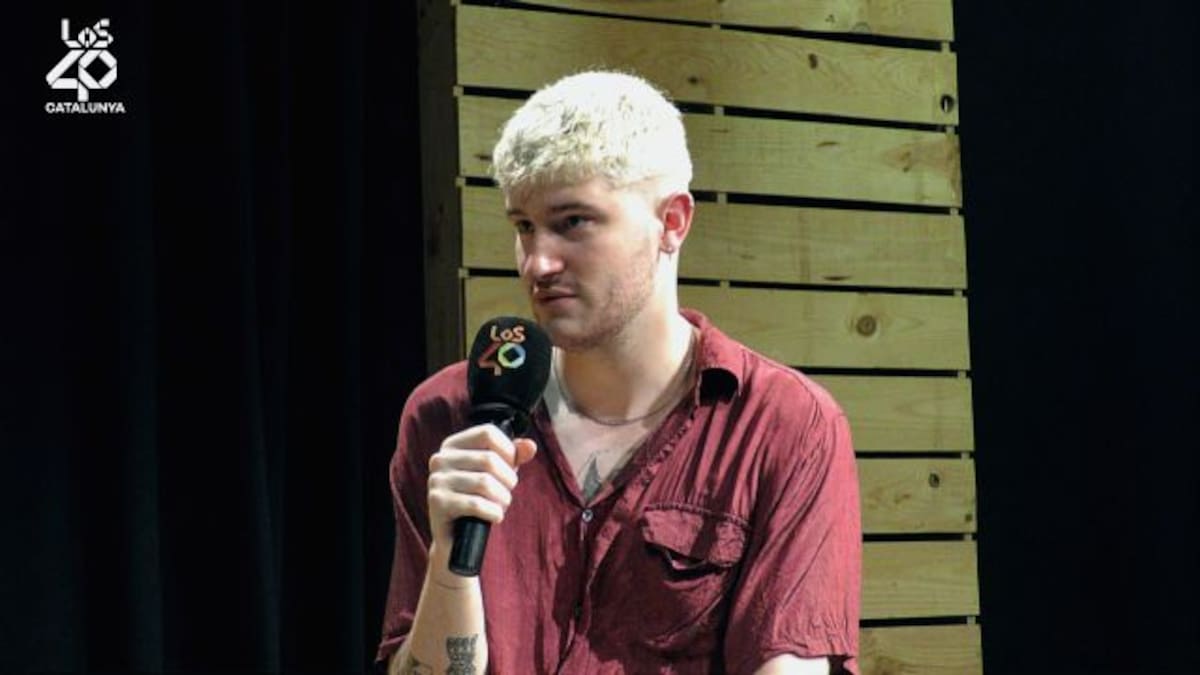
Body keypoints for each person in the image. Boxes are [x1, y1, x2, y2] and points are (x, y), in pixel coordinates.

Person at [377, 71, 861, 675]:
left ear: (672, 222)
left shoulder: (786, 426)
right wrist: (452, 565)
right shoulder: (451, 415)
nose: (537, 263)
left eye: (573, 222)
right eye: (523, 226)